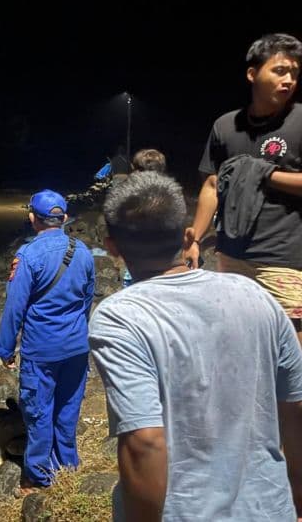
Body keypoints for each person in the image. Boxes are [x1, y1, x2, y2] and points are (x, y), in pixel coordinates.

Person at [90, 171, 302, 521]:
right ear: (189, 234)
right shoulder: (253, 294)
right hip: (270, 507)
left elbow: (144, 442)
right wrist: (297, 493)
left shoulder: (120, 316)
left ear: (112, 247)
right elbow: (295, 406)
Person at [184, 33, 302, 336]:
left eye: (294, 72)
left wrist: (264, 174)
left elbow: (250, 175)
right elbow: (212, 184)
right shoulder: (225, 126)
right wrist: (196, 236)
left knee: (292, 353)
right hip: (231, 255)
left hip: (284, 261)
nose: (288, 79)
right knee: (242, 341)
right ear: (253, 74)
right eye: (279, 70)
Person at [0, 189, 95, 493]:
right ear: (63, 218)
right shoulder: (84, 251)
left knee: (39, 413)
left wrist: (5, 348)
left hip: (42, 350)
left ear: (32, 219)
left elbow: (15, 307)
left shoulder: (28, 256)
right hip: (77, 347)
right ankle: (67, 467)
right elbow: (87, 300)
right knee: (67, 410)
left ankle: (38, 477)